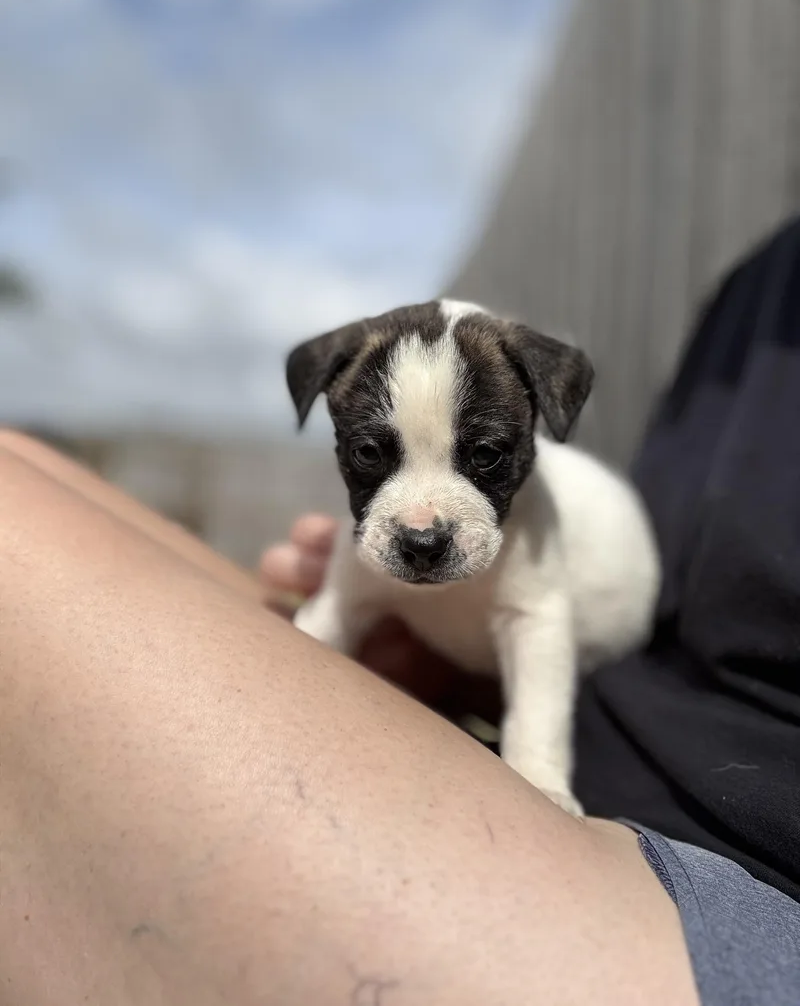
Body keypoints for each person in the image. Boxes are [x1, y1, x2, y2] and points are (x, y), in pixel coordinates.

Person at [2, 222, 799, 1006]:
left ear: (543, 412)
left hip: (689, 875)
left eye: (482, 457)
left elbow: (535, 623)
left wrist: (536, 774)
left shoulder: (542, 508)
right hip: (595, 727)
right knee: (32, 461)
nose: (421, 521)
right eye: (371, 456)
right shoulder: (751, 291)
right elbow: (329, 624)